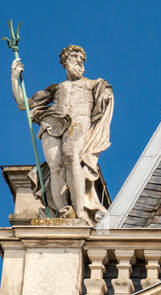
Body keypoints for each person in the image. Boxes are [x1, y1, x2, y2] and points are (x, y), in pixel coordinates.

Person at [10, 45, 113, 224]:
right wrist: (14, 77)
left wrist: (106, 94)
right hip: (53, 123)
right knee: (55, 166)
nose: (79, 62)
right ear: (65, 62)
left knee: (71, 155)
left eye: (81, 60)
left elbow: (105, 100)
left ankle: (80, 210)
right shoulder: (56, 88)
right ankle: (62, 211)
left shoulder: (92, 84)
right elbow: (22, 103)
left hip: (78, 122)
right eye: (75, 58)